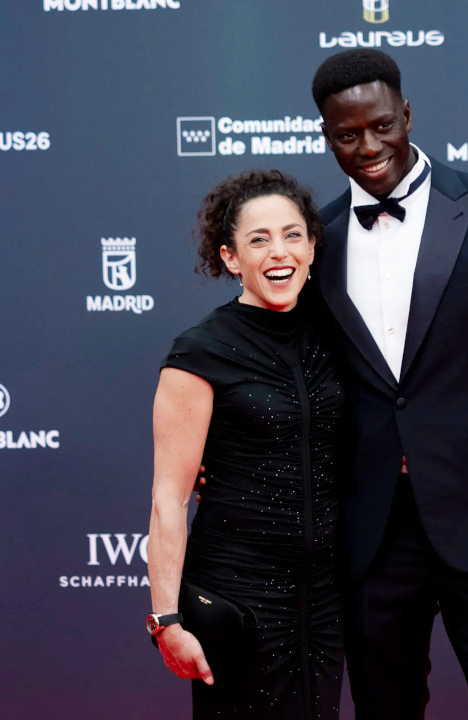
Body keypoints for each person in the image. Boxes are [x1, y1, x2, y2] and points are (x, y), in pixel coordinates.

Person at [308, 48, 468, 719]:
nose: (368, 146)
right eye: (347, 134)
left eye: (382, 125)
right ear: (327, 136)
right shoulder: (319, 238)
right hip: (371, 533)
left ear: (407, 115)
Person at [147, 169, 344, 719]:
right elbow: (169, 498)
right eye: (259, 240)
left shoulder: (336, 336)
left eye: (292, 234)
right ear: (231, 258)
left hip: (324, 605)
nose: (279, 252)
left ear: (311, 246)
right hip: (238, 604)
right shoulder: (201, 353)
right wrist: (166, 619)